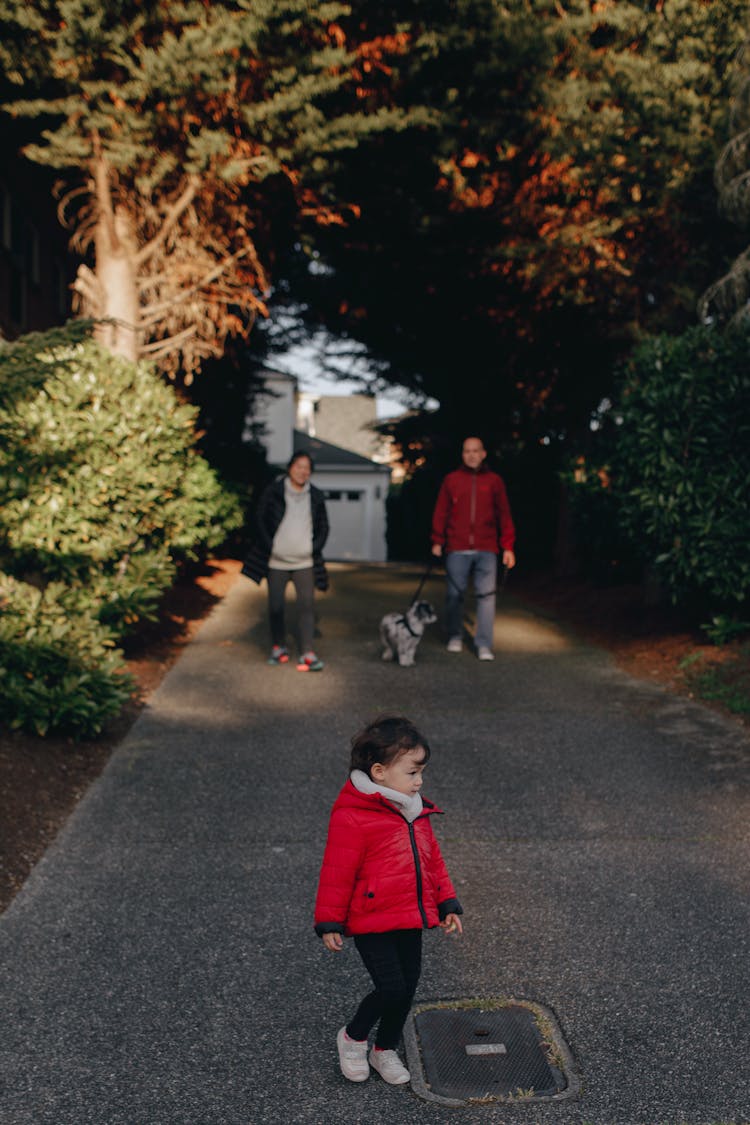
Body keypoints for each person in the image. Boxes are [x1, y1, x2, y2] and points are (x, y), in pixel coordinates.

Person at [314, 715, 463, 1086]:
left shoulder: (415, 811)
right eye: (413, 772)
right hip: (371, 917)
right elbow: (336, 871)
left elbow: (432, 861)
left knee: (408, 987)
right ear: (379, 771)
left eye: (422, 772)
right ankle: (353, 1038)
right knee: (391, 987)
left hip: (410, 915)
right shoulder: (353, 815)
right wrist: (329, 922)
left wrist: (446, 902)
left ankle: (385, 1049)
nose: (420, 780)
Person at [241, 451, 329, 671]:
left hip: (305, 562)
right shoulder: (274, 491)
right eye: (299, 466)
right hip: (276, 561)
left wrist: (313, 547)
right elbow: (259, 519)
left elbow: (324, 526)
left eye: (307, 467)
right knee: (276, 606)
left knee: (307, 605)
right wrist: (271, 546)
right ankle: (278, 646)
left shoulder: (316, 495)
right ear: (290, 468)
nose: (303, 471)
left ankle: (307, 652)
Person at [430, 436, 516, 661]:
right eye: (467, 451)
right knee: (453, 595)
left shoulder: (494, 481)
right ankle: (455, 635)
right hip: (456, 547)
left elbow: (504, 515)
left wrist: (508, 547)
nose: (471, 455)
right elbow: (441, 511)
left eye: (476, 451)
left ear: (483, 454)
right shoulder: (452, 480)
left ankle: (484, 644)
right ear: (462, 454)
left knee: (486, 597)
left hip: (487, 548)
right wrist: (437, 540)